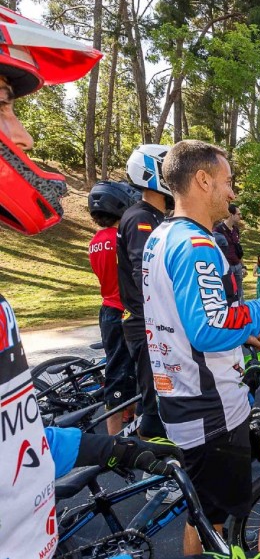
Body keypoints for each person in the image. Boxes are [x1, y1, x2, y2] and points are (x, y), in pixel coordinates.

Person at [0, 7, 183, 559]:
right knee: (136, 387)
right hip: (133, 321)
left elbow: (17, 443)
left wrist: (108, 451)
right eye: (3, 105)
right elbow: (142, 281)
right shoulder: (139, 223)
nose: (24, 134)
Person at [141, 139, 260, 555]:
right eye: (227, 181)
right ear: (203, 180)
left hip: (180, 395)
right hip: (210, 407)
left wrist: (243, 329)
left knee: (202, 511)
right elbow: (210, 328)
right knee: (211, 522)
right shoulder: (198, 244)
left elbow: (191, 317)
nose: (232, 193)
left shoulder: (162, 235)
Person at [118, 144, 172, 441]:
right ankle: (155, 482)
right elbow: (145, 275)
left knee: (163, 398)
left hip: (157, 324)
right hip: (145, 324)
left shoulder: (158, 217)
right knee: (155, 404)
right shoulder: (141, 217)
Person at [87, 181, 140, 435]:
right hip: (125, 310)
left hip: (107, 308)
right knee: (129, 373)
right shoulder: (122, 239)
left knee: (117, 367)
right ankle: (117, 440)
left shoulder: (95, 241)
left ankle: (124, 425)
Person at [213, 204, 245, 302]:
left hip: (237, 265)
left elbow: (238, 249)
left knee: (240, 293)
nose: (240, 217)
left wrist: (243, 266)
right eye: (238, 214)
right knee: (229, 293)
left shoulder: (236, 230)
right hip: (227, 267)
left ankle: (243, 312)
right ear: (231, 215)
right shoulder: (218, 230)